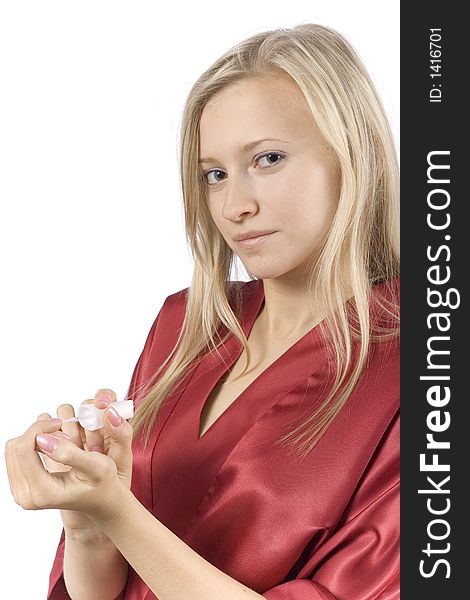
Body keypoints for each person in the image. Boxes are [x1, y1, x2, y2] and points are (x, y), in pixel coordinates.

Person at [5, 23, 399, 600]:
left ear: (353, 155)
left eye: (267, 159)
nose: (235, 206)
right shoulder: (184, 327)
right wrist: (86, 521)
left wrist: (117, 513)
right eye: (214, 174)